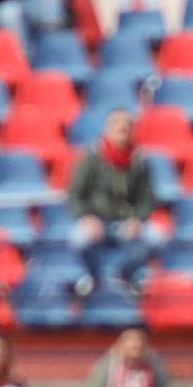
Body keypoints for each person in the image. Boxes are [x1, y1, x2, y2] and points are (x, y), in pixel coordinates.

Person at [65, 110, 164, 299]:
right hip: (98, 221)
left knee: (156, 237)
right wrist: (87, 217)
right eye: (118, 126)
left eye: (126, 127)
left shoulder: (139, 162)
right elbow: (75, 195)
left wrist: (137, 219)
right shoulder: (91, 159)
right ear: (108, 129)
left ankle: (124, 274)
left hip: (127, 222)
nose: (122, 130)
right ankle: (95, 277)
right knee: (77, 239)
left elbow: (148, 199)